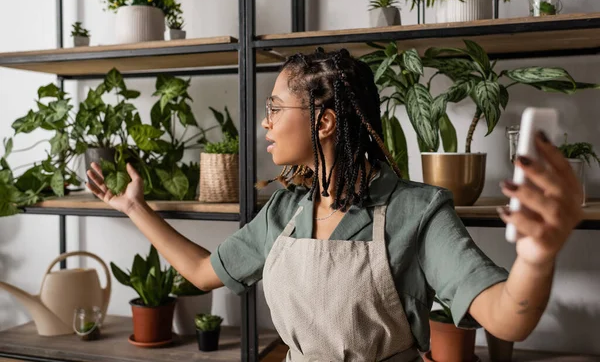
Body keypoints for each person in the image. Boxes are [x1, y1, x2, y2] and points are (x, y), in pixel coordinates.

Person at [86, 48, 583, 361]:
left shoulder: (417, 210)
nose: (266, 122)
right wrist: (134, 208)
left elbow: (507, 317)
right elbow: (200, 270)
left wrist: (537, 256)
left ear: (323, 122)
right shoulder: (286, 211)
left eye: (274, 108)